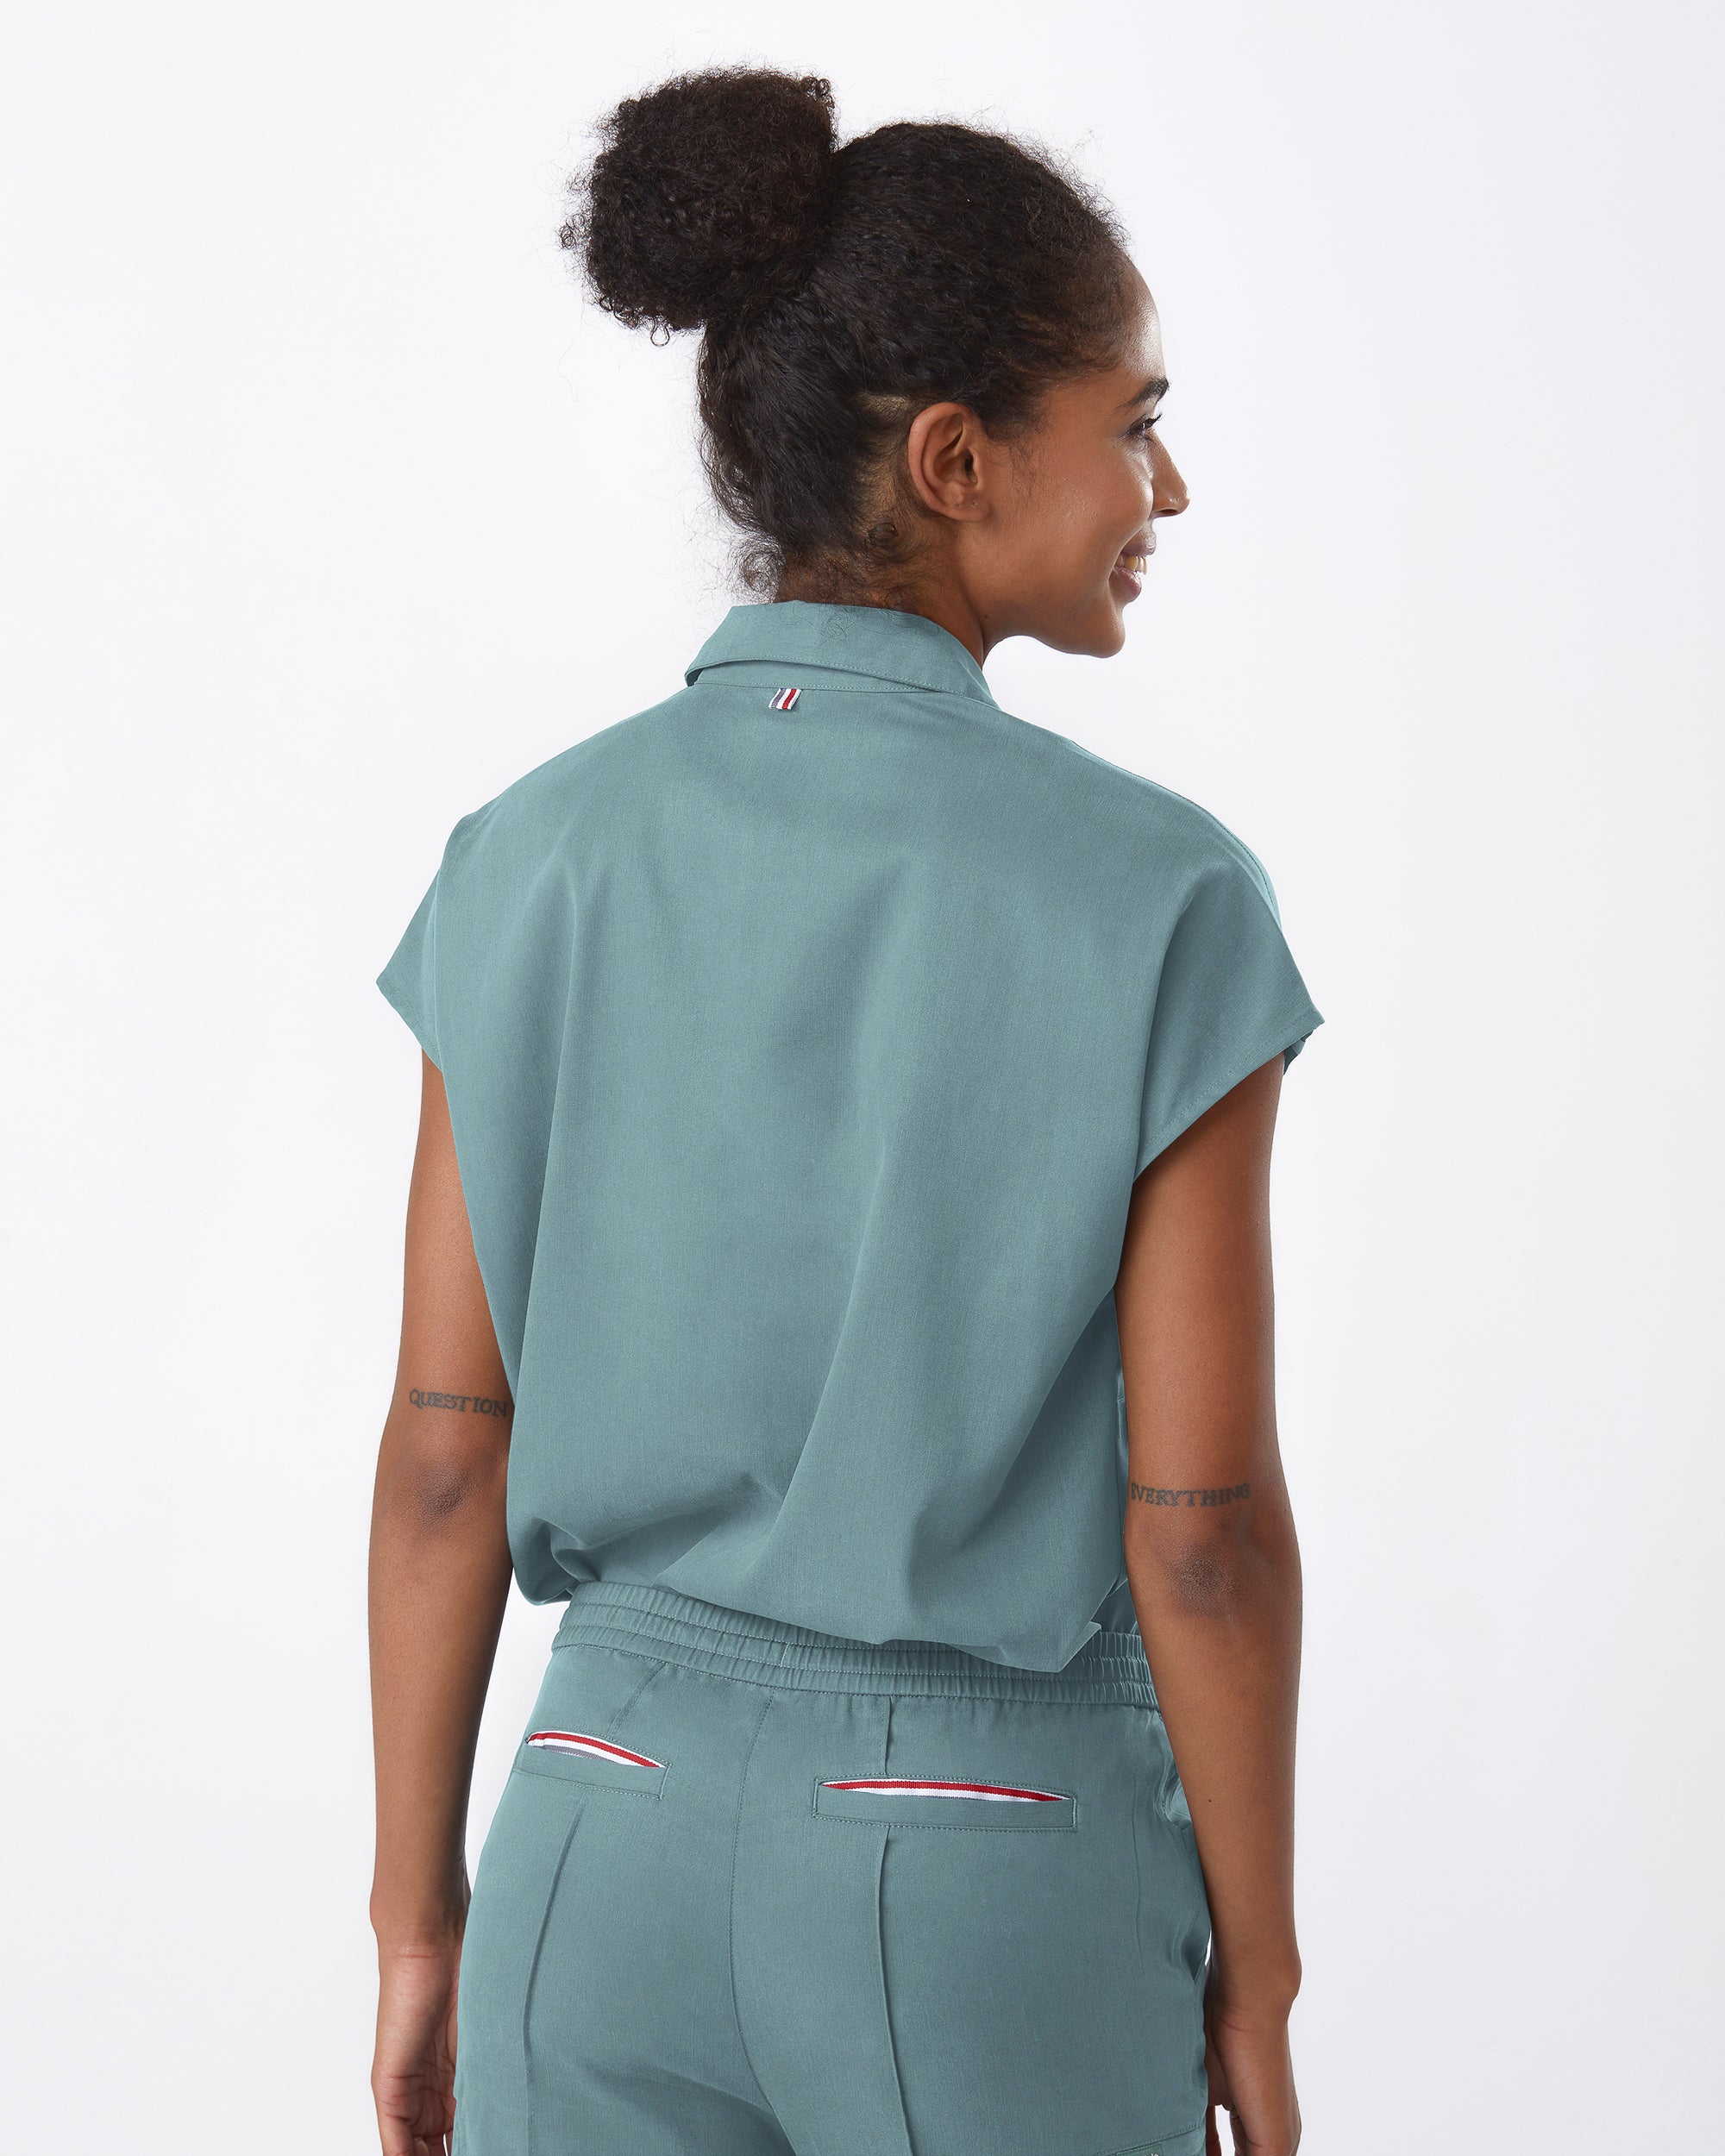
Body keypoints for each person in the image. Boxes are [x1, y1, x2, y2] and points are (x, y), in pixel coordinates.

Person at [367, 66, 1322, 2156]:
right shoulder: (1160, 897)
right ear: (958, 459)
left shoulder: (526, 855)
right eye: (1134, 423)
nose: (1166, 487)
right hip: (983, 1859)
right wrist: (1257, 1971)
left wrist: (416, 1913)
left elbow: (445, 1457)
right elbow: (1202, 1539)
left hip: (588, 1827)